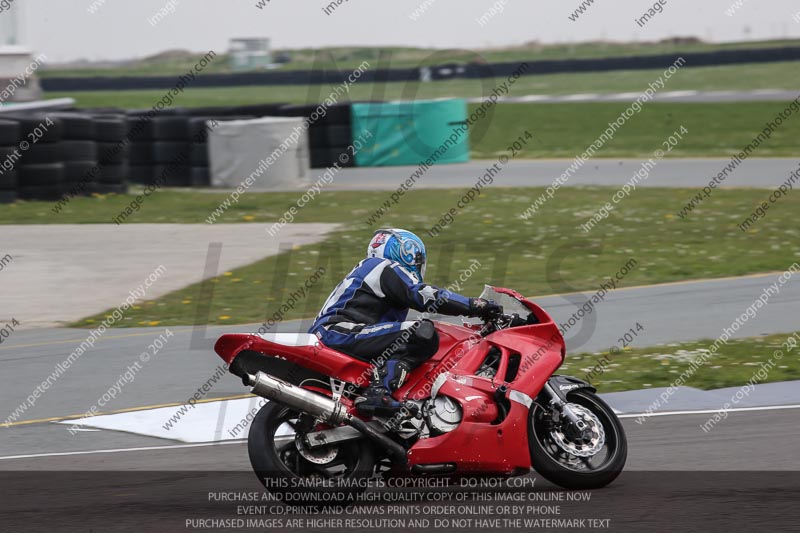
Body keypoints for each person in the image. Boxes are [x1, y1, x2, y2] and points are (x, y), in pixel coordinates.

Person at [309, 228, 502, 416]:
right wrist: (476, 305)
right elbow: (425, 296)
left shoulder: (372, 272)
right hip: (339, 332)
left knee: (410, 337)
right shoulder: (381, 267)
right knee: (421, 331)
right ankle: (378, 393)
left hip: (339, 333)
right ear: (407, 253)